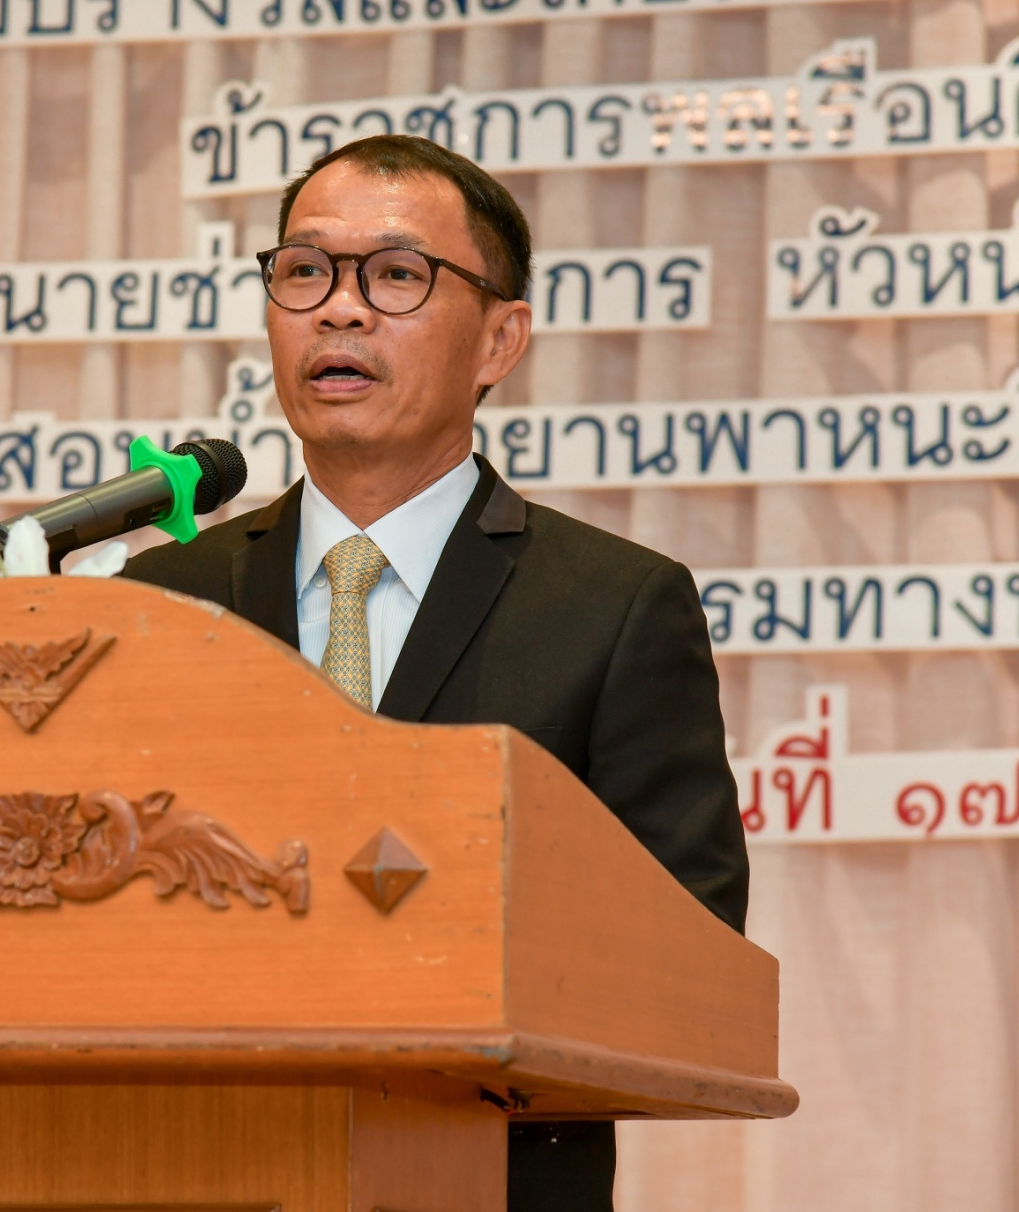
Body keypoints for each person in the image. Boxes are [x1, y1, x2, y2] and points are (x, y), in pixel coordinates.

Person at [121, 134, 746, 1212]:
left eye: (396, 275)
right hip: (189, 1170)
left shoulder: (612, 608)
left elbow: (686, 950)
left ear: (500, 340)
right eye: (305, 271)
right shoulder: (166, 598)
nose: (339, 310)